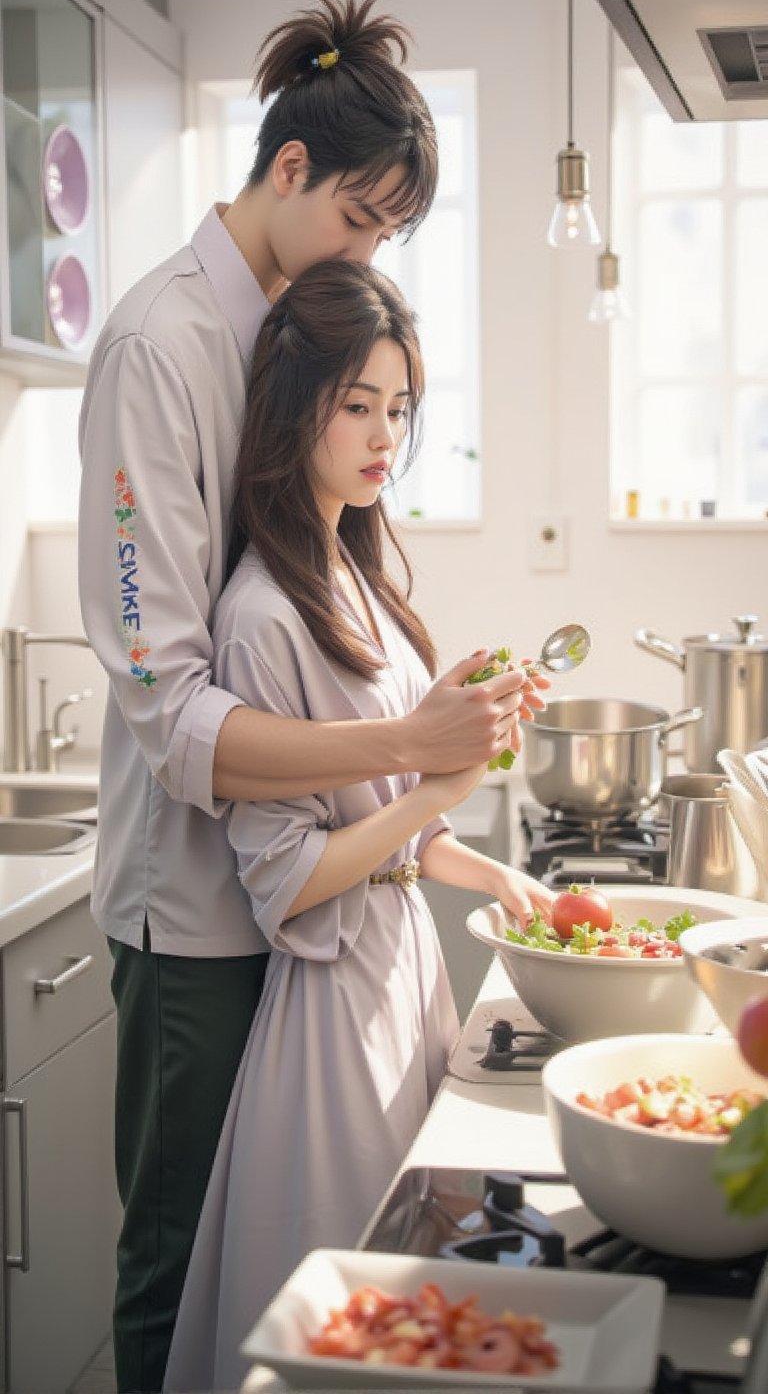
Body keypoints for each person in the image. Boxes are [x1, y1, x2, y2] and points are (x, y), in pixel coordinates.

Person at [78, 0, 545, 1394]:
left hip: (302, 903)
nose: (364, 252)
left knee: (288, 1291)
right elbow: (169, 708)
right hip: (198, 909)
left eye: (388, 237)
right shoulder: (162, 346)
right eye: (359, 219)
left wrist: (414, 734)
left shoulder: (287, 332)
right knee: (181, 1267)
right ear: (287, 170)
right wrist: (411, 745)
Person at [162, 258, 557, 1392]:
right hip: (330, 1011)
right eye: (357, 405)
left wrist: (485, 870)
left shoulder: (357, 570)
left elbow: (385, 819)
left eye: (399, 409)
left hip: (400, 974)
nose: (386, 435)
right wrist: (437, 780)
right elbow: (286, 882)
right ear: (298, 410)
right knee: (353, 1327)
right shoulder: (260, 614)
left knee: (413, 1313)